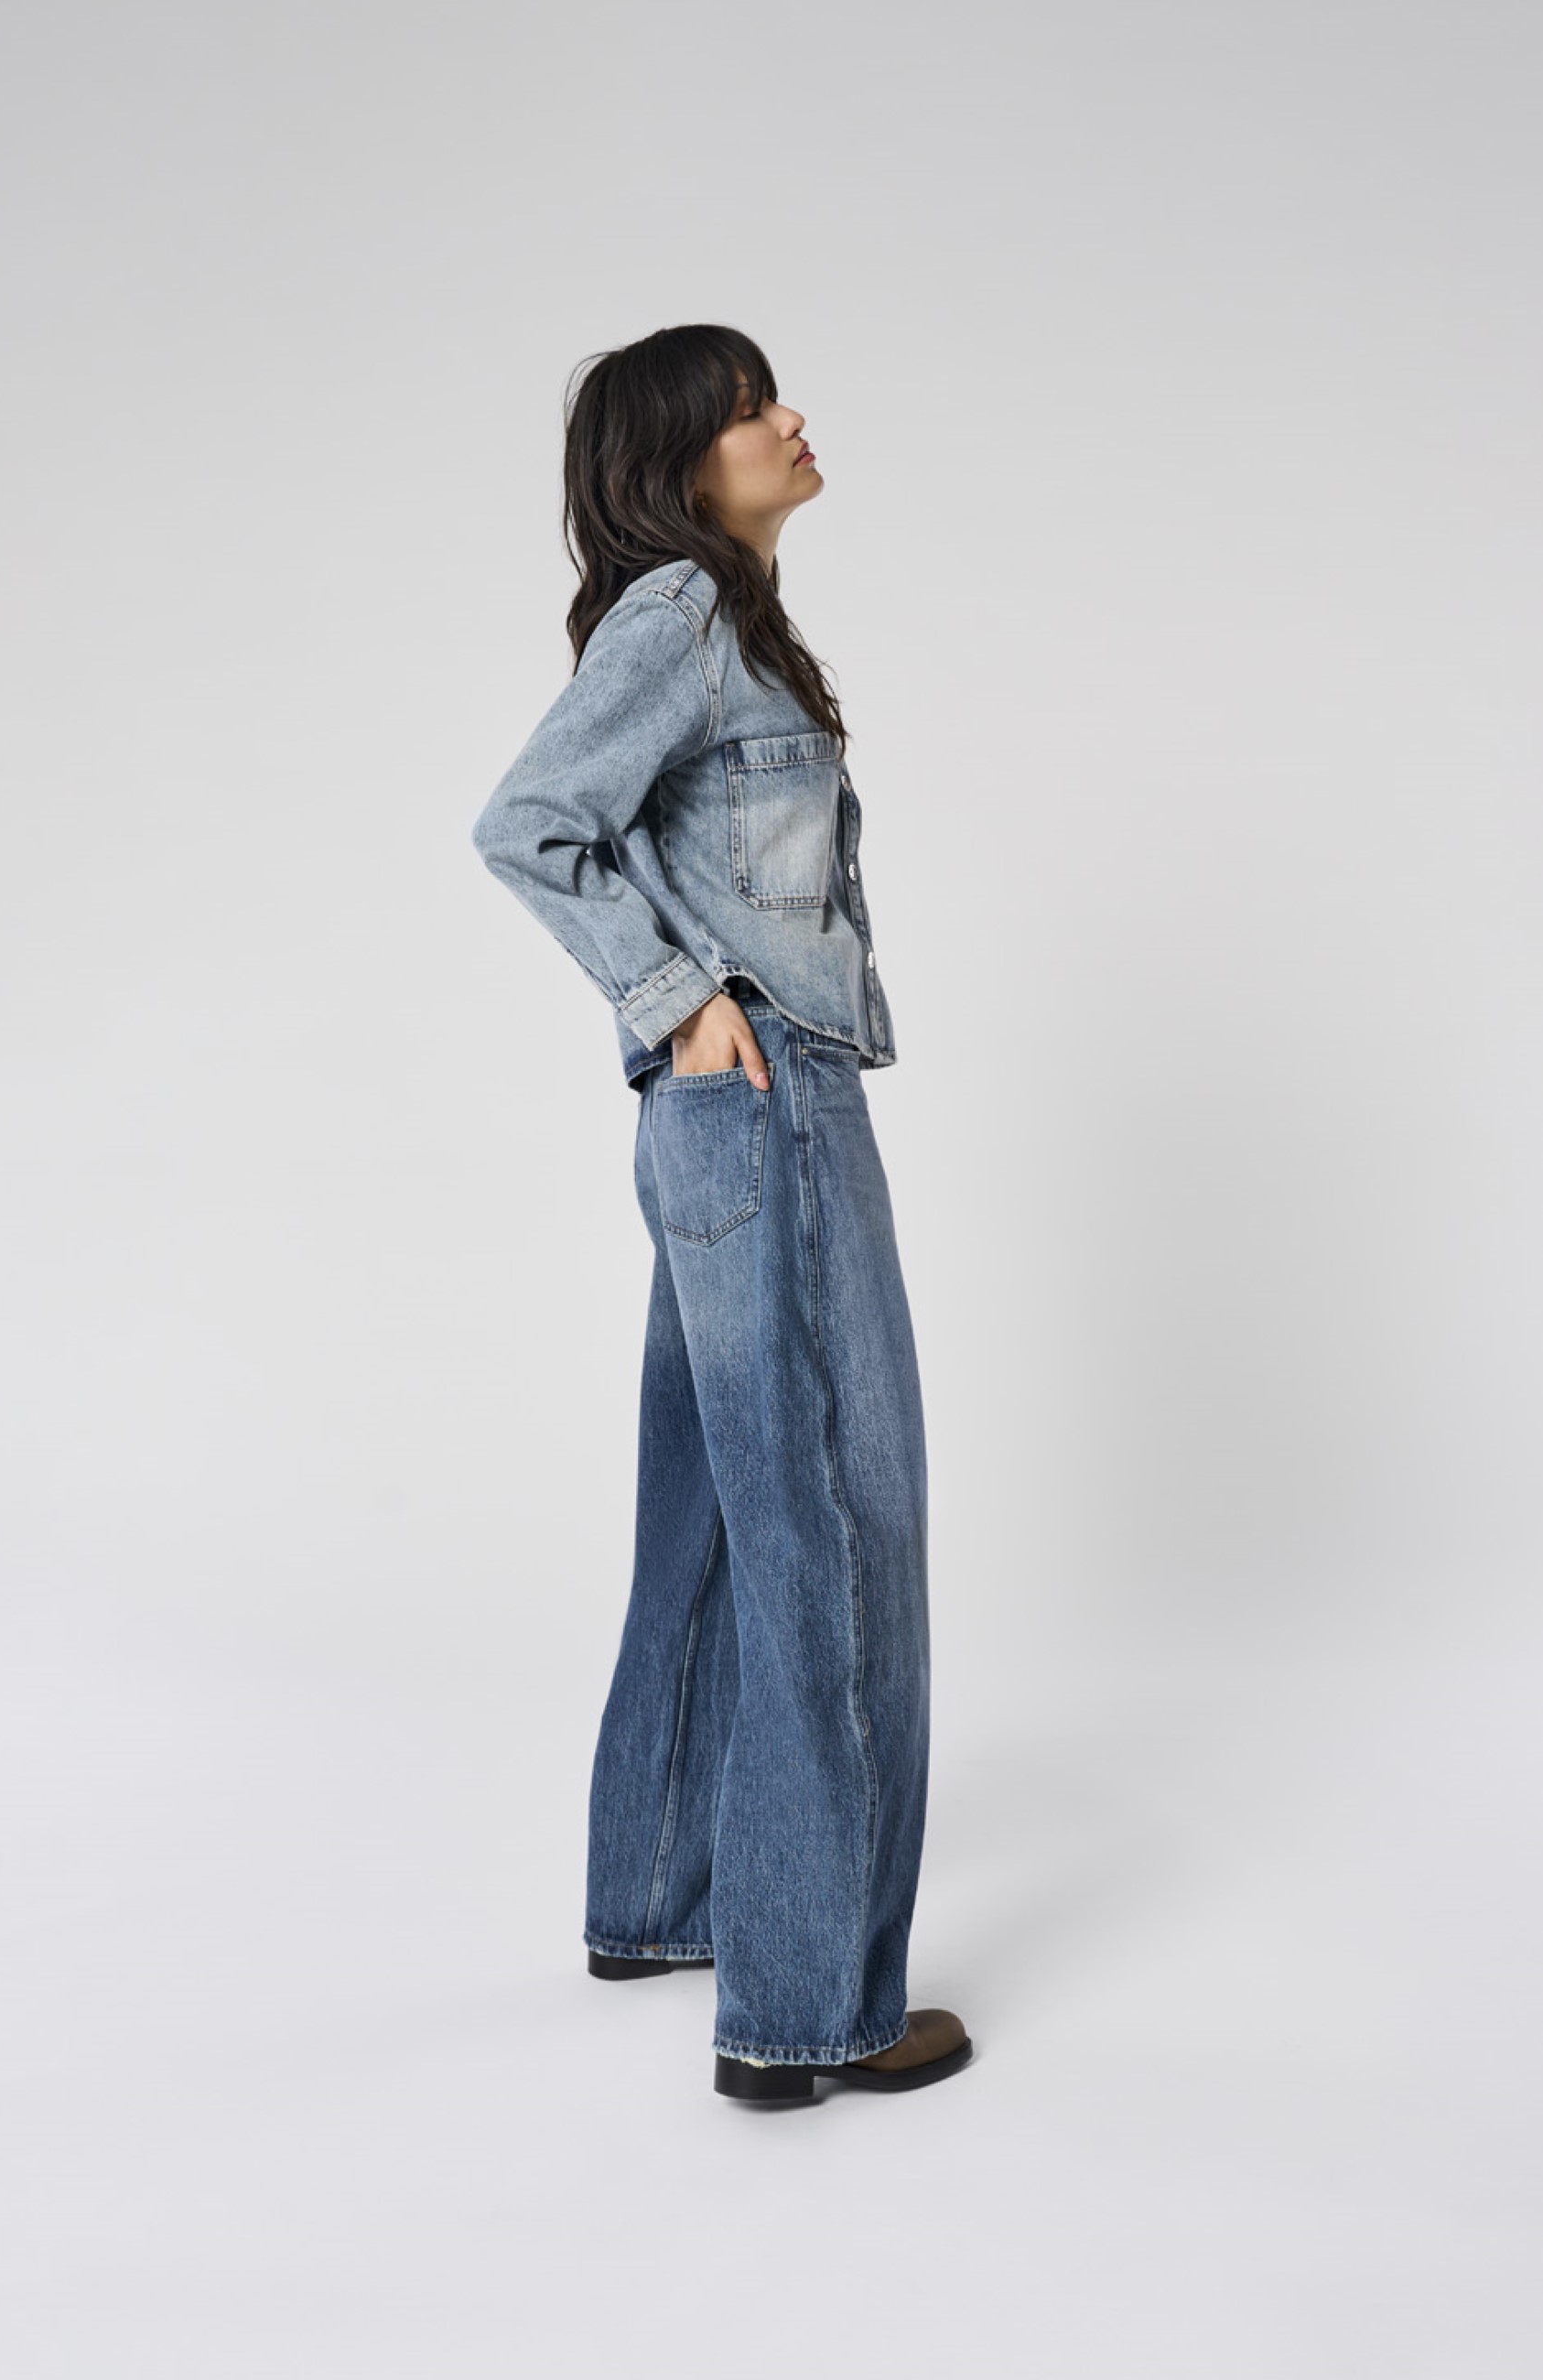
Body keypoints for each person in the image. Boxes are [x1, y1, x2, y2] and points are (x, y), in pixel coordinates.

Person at [469, 323, 971, 2105]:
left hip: (717, 1125)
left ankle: (659, 1895)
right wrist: (681, 995)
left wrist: (689, 1022)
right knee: (838, 1524)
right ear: (683, 461)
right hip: (769, 1102)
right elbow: (530, 823)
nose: (791, 418)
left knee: (706, 1511)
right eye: (754, 408)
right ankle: (810, 2006)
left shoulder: (713, 621)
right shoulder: (680, 611)